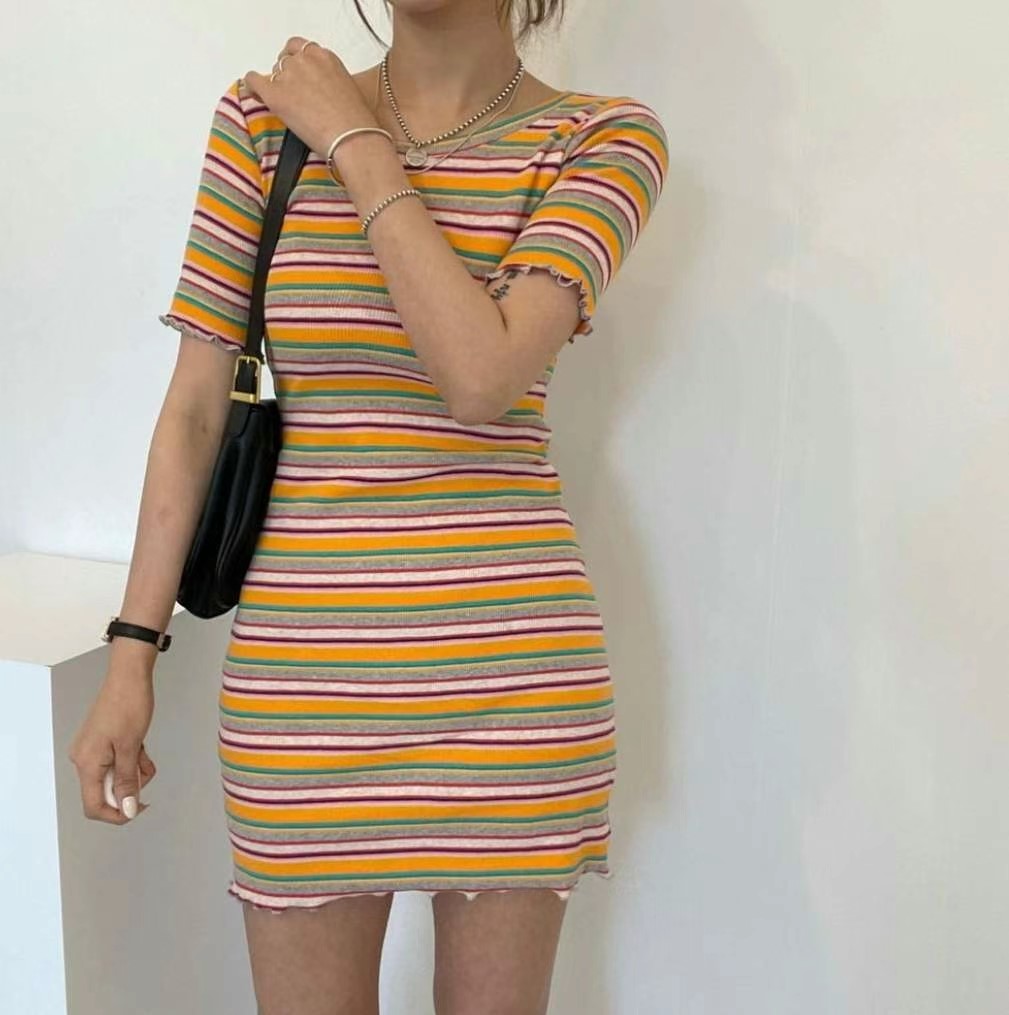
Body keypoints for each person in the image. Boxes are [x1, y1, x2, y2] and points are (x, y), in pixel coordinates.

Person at [68, 1, 668, 1011]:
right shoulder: (262, 124)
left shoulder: (600, 139)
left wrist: (354, 141)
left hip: (510, 688)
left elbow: (480, 376)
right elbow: (195, 412)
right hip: (301, 690)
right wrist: (132, 656)